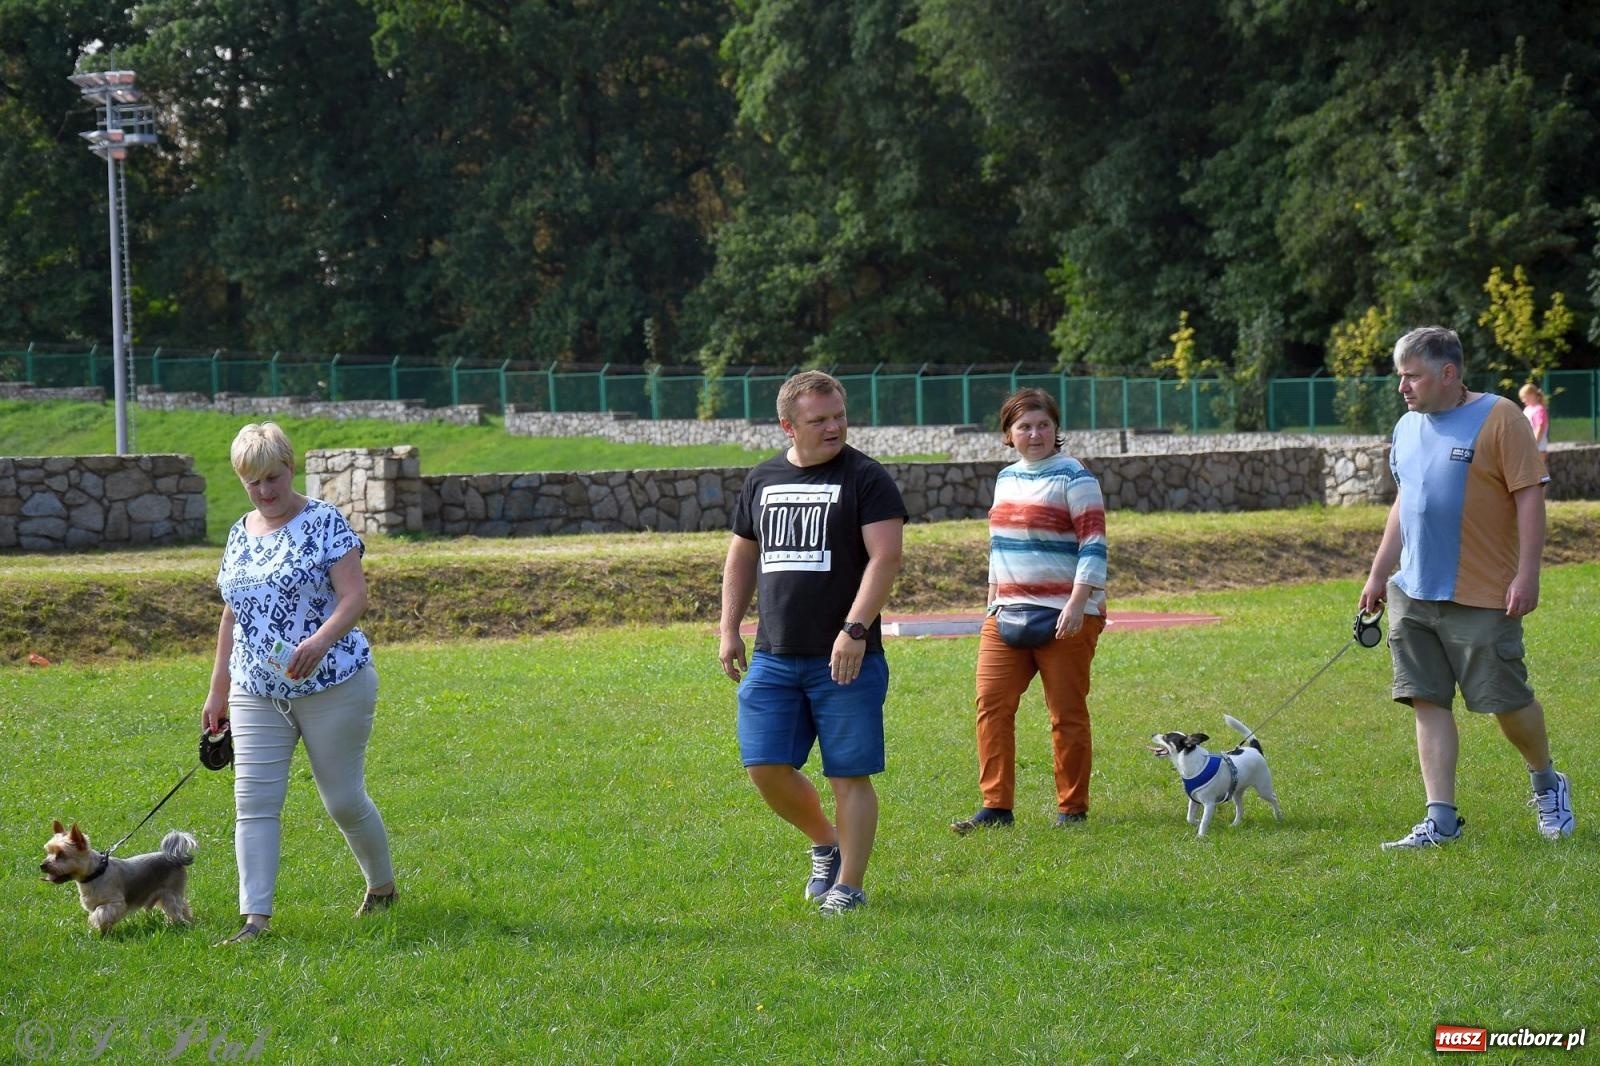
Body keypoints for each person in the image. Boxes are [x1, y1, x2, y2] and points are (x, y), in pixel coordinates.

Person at [1358, 327, 1572, 849]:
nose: (1403, 387)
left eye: (1413, 376)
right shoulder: (1407, 427)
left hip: (1483, 593)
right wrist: (1379, 572)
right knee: (1425, 700)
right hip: (1414, 591)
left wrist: (1528, 574)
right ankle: (1441, 819)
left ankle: (1547, 782)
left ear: (1448, 373)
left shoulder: (1501, 417)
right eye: (1400, 377)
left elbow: (1529, 497)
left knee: (1506, 701)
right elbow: (1405, 504)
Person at [717, 371, 907, 916]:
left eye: (839, 415)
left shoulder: (867, 478)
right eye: (818, 419)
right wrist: (730, 627)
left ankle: (849, 884)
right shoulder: (762, 478)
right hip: (775, 654)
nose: (834, 427)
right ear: (787, 425)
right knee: (764, 764)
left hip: (845, 657)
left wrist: (854, 630)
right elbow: (742, 555)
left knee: (849, 772)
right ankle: (825, 842)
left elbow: (885, 557)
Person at [203, 422, 396, 944]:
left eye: (274, 477)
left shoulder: (324, 521)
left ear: (291, 468)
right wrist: (218, 689)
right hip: (255, 690)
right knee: (254, 804)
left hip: (334, 682)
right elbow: (231, 615)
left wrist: (318, 643)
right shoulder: (240, 532)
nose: (265, 491)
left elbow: (355, 598)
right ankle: (255, 921)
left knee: (342, 800)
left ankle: (382, 888)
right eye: (253, 482)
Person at [951, 388, 1107, 834]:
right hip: (1007, 614)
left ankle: (1072, 809)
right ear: (1008, 433)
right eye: (1024, 426)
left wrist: (1078, 604)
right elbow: (998, 546)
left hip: (1066, 616)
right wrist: (990, 603)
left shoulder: (1075, 477)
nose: (1034, 434)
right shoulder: (1005, 479)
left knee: (1066, 714)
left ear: (1056, 430)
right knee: (991, 707)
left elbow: (1094, 545)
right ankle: (996, 806)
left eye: (1043, 425)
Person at [1517, 381, 1550, 485]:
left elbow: (1540, 428)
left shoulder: (1539, 409)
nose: (1523, 400)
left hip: (1538, 447)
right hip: (1528, 446)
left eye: (1524, 397)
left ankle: (1540, 499)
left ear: (1532, 395)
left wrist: (1534, 444)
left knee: (1539, 476)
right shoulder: (1527, 409)